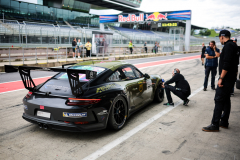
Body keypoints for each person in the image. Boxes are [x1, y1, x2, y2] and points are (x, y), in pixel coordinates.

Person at [202, 30, 239, 132]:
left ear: (222, 37)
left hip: (226, 79)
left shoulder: (228, 46)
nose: (220, 41)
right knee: (226, 99)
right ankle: (224, 122)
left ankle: (215, 124)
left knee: (218, 100)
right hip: (231, 78)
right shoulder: (233, 45)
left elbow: (227, 64)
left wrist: (221, 78)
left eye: (220, 39)